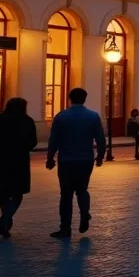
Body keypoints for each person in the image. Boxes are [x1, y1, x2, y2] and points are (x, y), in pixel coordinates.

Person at [45, 87, 105, 238]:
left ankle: (65, 227)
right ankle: (84, 212)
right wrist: (100, 156)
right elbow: (100, 139)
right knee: (82, 189)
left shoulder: (61, 116)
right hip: (85, 159)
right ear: (85, 99)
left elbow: (54, 140)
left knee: (66, 194)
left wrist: (50, 157)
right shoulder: (93, 116)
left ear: (69, 98)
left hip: (66, 160)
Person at [0, 98, 36, 238]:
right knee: (17, 193)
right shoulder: (27, 121)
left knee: (3, 192)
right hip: (19, 161)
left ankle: (5, 220)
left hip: (1, 160)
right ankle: (5, 220)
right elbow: (33, 142)